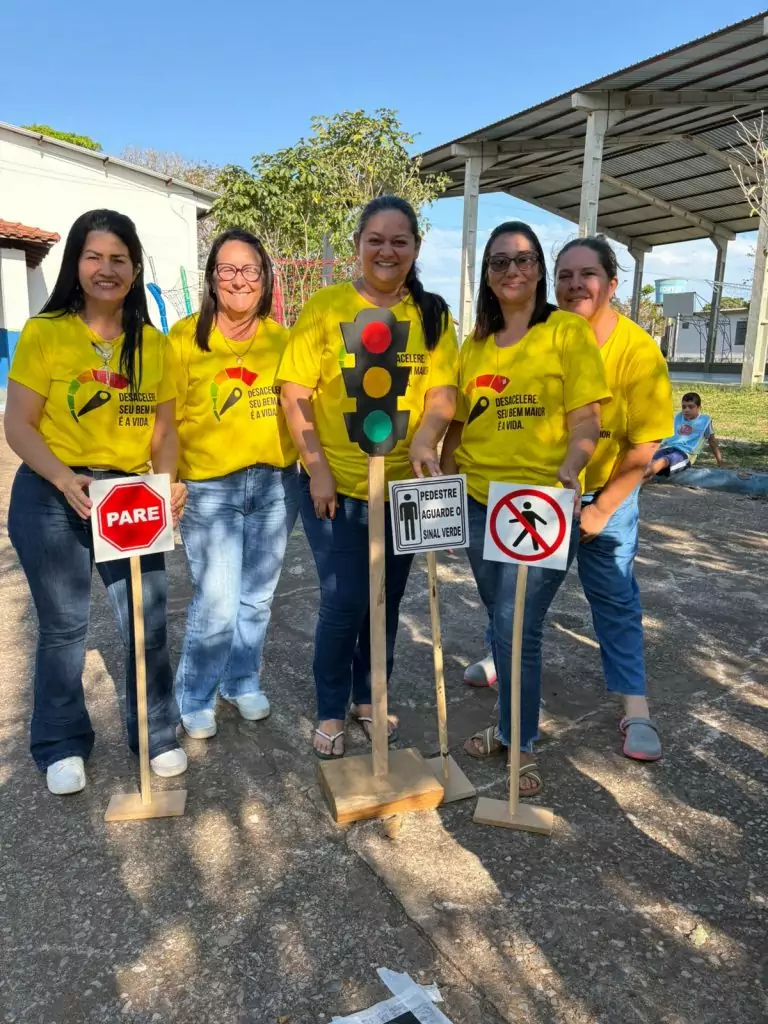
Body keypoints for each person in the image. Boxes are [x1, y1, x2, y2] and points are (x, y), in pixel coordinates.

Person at [4, 209, 187, 795]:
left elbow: (164, 432)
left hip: (129, 495)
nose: (106, 269)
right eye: (94, 256)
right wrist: (62, 477)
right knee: (63, 628)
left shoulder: (154, 346)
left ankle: (156, 733)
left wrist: (168, 485)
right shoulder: (45, 332)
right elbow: (19, 426)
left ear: (134, 270)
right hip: (52, 492)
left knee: (145, 623)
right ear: (75, 264)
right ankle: (60, 743)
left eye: (119, 259)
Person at [280, 195, 458, 759]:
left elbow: (442, 394)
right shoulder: (324, 307)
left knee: (387, 597)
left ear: (415, 249)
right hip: (334, 486)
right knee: (344, 598)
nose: (387, 251)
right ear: (358, 245)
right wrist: (318, 471)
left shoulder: (432, 316)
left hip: (403, 489)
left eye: (399, 241)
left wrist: (427, 438)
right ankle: (331, 707)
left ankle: (368, 696)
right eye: (375, 240)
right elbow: (295, 395)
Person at [441, 221, 610, 797]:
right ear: (486, 276)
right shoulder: (475, 345)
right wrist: (440, 479)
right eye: (499, 263)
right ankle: (510, 726)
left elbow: (587, 420)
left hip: (540, 504)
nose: (512, 271)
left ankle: (522, 743)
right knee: (499, 622)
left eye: (523, 260)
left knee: (519, 628)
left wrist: (573, 462)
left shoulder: (566, 332)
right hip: (477, 500)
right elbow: (459, 425)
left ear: (538, 269)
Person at [171, 229, 299, 739]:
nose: (240, 280)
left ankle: (241, 679)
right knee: (217, 599)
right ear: (211, 279)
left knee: (257, 597)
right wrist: (170, 480)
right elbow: (165, 418)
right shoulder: (183, 338)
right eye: (228, 269)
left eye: (251, 270)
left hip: (274, 484)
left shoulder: (283, 340)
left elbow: (302, 407)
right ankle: (196, 692)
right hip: (209, 489)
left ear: (265, 279)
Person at [555, 236, 673, 760]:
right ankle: (499, 659)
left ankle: (636, 710)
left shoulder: (637, 350)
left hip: (609, 495)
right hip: (545, 495)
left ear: (612, 284)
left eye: (587, 274)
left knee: (616, 601)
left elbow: (645, 445)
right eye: (564, 275)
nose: (575, 285)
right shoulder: (545, 337)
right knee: (520, 591)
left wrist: (602, 508)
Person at [647, 391, 723, 479]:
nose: (686, 410)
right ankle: (636, 483)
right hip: (668, 448)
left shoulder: (704, 422)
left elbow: (712, 442)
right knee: (650, 461)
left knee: (663, 461)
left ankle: (636, 480)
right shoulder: (678, 417)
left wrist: (720, 462)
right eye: (684, 407)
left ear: (699, 408)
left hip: (685, 454)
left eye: (690, 407)